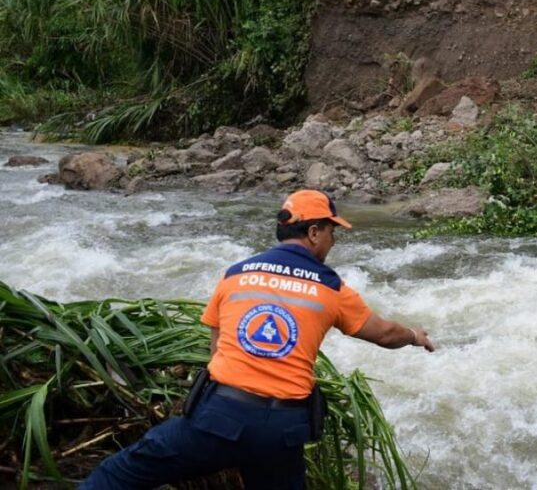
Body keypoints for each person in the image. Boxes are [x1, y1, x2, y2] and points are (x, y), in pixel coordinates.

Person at [80, 189, 435, 489]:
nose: (333, 239)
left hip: (217, 418)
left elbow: (216, 349)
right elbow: (384, 334)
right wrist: (415, 335)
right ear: (313, 232)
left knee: (118, 474)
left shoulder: (235, 275)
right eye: (331, 231)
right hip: (280, 433)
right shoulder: (331, 287)